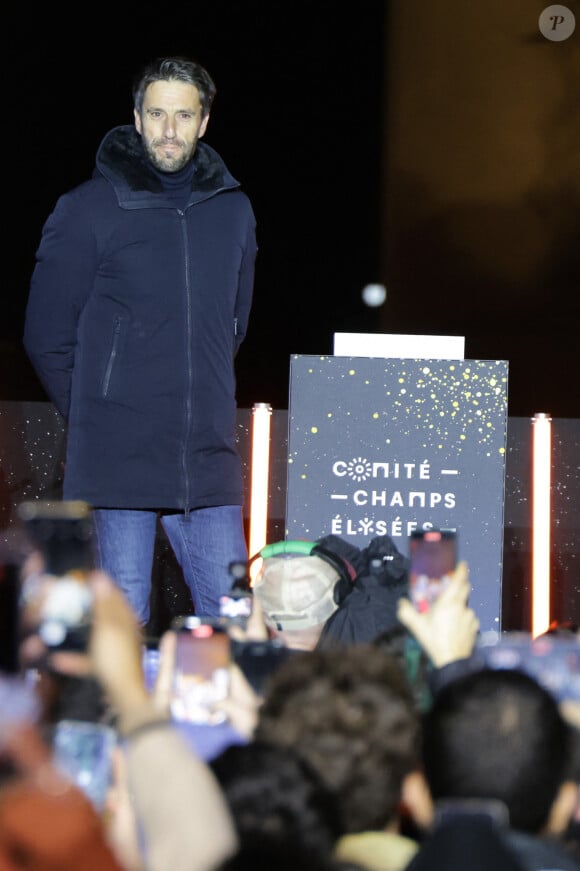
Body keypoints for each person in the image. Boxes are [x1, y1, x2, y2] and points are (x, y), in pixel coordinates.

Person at [23, 56, 258, 626]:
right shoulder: (87, 209)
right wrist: (98, 413)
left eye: (183, 115)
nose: (169, 130)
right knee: (120, 626)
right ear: (136, 117)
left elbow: (233, 324)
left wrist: (192, 396)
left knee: (232, 621)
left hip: (205, 458)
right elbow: (45, 336)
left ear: (204, 122)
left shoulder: (233, 211)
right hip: (116, 459)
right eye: (157, 114)